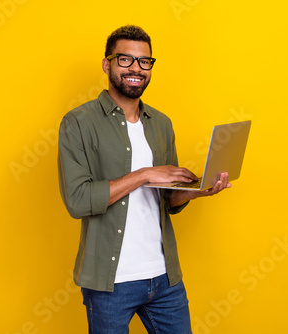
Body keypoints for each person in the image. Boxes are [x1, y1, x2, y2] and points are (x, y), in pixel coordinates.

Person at [57, 25, 230, 334]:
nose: (136, 68)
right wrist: (144, 174)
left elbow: (167, 199)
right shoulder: (78, 122)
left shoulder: (162, 124)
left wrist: (197, 192)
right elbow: (78, 200)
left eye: (144, 61)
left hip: (164, 278)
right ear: (107, 64)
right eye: (125, 59)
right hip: (110, 283)